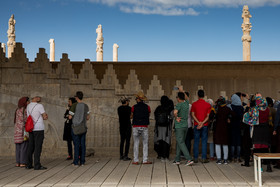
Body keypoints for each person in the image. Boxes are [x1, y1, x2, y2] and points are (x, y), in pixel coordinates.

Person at [243, 96, 272, 172]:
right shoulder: (268, 110)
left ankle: (260, 167)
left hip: (257, 129)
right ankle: (269, 166)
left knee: (257, 149)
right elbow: (270, 120)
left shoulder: (255, 109)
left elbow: (246, 116)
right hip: (265, 130)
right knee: (266, 148)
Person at [26, 92, 48, 170]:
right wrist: (45, 116)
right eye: (38, 97)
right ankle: (37, 165)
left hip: (31, 128)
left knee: (31, 146)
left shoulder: (28, 106)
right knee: (38, 147)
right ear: (35, 97)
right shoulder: (39, 106)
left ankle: (28, 164)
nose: (40, 98)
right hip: (38, 128)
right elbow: (45, 116)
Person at [131, 91, 152, 165]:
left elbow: (131, 116)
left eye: (136, 98)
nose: (136, 99)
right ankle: (145, 160)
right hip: (144, 126)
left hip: (136, 126)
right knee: (145, 143)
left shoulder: (134, 107)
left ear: (138, 99)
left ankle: (136, 160)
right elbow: (148, 114)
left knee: (136, 143)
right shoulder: (148, 107)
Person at [173, 92, 193, 166]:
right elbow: (186, 97)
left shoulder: (179, 105)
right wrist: (181, 90)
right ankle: (177, 159)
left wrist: (176, 117)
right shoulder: (186, 103)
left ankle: (189, 159)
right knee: (180, 142)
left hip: (179, 126)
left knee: (181, 142)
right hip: (185, 125)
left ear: (178, 98)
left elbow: (175, 112)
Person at [191, 90, 211, 163]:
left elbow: (193, 115)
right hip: (205, 125)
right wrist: (202, 123)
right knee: (204, 141)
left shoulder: (194, 104)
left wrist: (198, 122)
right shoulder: (208, 105)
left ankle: (195, 158)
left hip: (196, 125)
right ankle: (203, 158)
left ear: (198, 95)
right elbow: (208, 116)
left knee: (196, 141)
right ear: (204, 96)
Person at [71, 91, 90, 166]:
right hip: (83, 127)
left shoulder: (74, 105)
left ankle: (76, 162)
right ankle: (82, 161)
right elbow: (88, 117)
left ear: (76, 97)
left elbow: (70, 116)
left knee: (76, 145)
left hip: (76, 127)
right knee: (83, 145)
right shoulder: (86, 106)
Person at [154, 95, 174, 162]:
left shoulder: (158, 108)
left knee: (160, 141)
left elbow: (155, 117)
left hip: (159, 128)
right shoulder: (169, 108)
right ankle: (165, 156)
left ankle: (160, 155)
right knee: (166, 141)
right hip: (167, 129)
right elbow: (172, 117)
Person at [214, 96, 232, 164]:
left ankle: (219, 159)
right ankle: (225, 159)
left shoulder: (216, 109)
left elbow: (211, 116)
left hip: (217, 128)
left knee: (218, 144)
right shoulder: (227, 109)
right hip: (225, 128)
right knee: (225, 144)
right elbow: (233, 115)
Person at [14, 97, 29, 167]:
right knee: (24, 146)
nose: (28, 103)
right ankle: (23, 162)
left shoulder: (17, 110)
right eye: (27, 101)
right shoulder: (24, 110)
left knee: (18, 147)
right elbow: (25, 120)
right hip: (23, 131)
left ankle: (18, 162)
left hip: (17, 131)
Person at [229, 94, 244, 163]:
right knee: (238, 143)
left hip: (231, 126)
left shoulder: (230, 107)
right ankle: (238, 157)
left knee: (232, 142)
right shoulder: (241, 108)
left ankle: (232, 157)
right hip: (239, 126)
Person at [117, 96, 132, 161]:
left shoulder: (119, 108)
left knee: (122, 141)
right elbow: (131, 116)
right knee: (127, 141)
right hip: (128, 126)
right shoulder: (129, 108)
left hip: (121, 126)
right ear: (126, 102)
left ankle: (121, 155)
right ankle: (126, 155)